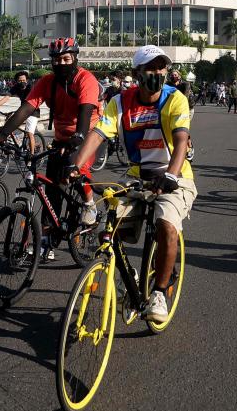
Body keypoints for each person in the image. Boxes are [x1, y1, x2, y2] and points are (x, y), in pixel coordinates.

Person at [69, 45, 196, 322]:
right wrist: (75, 166)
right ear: (137, 73)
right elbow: (99, 133)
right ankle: (128, 276)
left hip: (174, 175)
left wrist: (171, 176)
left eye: (162, 68)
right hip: (138, 174)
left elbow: (182, 141)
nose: (158, 73)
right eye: (151, 68)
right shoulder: (120, 102)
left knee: (166, 225)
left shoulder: (175, 98)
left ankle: (160, 292)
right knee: (112, 228)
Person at [0, 37, 101, 238]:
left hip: (88, 135)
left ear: (75, 59)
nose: (61, 64)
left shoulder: (86, 80)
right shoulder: (47, 82)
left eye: (66, 59)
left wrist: (78, 137)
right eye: (56, 60)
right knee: (51, 189)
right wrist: (3, 133)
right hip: (61, 136)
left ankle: (89, 203)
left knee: (74, 168)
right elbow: (26, 109)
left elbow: (86, 112)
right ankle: (47, 240)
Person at [0, 70, 40, 154]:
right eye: (20, 81)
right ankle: (17, 142)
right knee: (9, 121)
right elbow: (6, 97)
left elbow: (31, 102)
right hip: (22, 110)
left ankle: (31, 157)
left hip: (33, 111)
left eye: (24, 81)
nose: (22, 82)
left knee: (29, 133)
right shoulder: (16, 87)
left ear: (27, 80)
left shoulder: (31, 87)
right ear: (17, 81)